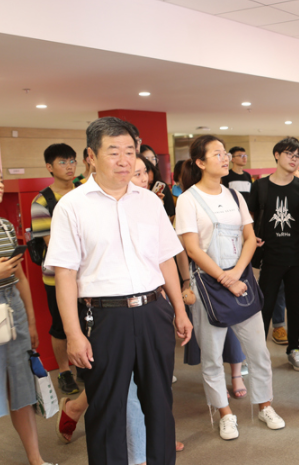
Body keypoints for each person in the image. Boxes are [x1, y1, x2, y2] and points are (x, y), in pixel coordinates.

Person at [45, 116, 192, 465]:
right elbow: (65, 275)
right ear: (91, 156)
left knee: (160, 403)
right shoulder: (72, 206)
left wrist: (179, 310)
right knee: (107, 409)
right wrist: (73, 335)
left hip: (154, 311)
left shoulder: (149, 201)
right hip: (104, 317)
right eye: (114, 152)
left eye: (130, 151)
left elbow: (165, 260)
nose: (124, 160)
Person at [176, 134, 285, 440]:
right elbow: (192, 249)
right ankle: (225, 414)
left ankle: (265, 406)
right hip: (208, 287)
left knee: (259, 352)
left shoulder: (235, 196)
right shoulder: (188, 200)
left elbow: (249, 237)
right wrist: (225, 279)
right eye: (217, 154)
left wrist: (237, 274)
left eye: (225, 153)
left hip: (242, 281)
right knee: (212, 358)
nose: (225, 158)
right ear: (200, 163)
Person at [0, 174, 56, 465]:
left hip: (13, 308)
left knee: (21, 387)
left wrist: (31, 322)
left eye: (0, 179)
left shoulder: (5, 226)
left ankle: (36, 460)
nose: (0, 185)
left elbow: (20, 276)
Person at [248, 137, 299, 371]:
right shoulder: (260, 186)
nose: (294, 159)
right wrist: (250, 240)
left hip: (297, 256)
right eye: (289, 154)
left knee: (296, 306)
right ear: (277, 155)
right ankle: (257, 353)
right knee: (264, 307)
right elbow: (249, 218)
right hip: (270, 256)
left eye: (298, 156)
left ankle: (294, 350)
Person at [30, 143, 79, 394]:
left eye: (72, 161)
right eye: (62, 162)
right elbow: (53, 244)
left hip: (88, 274)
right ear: (49, 167)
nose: (69, 166)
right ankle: (64, 371)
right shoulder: (41, 202)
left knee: (88, 322)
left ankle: (85, 366)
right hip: (57, 277)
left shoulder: (84, 191)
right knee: (61, 326)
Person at [142, 145, 176, 222]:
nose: (150, 161)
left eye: (153, 158)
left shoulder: (161, 185)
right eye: (146, 158)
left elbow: (171, 213)